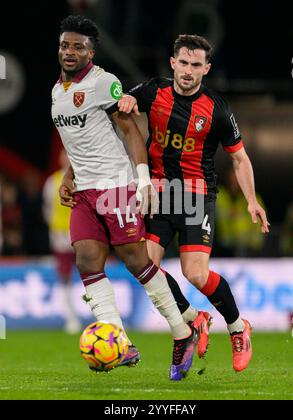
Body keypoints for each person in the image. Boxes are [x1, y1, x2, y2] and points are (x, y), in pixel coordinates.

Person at [52, 15, 204, 381]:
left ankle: (183, 331)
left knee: (136, 261)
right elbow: (78, 143)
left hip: (115, 184)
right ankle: (118, 340)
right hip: (85, 191)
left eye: (78, 46)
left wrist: (142, 180)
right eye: (64, 45)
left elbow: (130, 131)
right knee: (87, 260)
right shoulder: (56, 92)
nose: (69, 52)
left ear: (91, 51)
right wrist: (69, 177)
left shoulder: (105, 84)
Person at [118, 34, 270, 372]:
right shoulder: (154, 91)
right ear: (173, 63)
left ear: (207, 68)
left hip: (197, 196)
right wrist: (127, 99)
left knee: (195, 274)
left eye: (196, 65)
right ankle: (193, 318)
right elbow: (126, 98)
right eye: (183, 63)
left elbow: (240, 159)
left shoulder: (217, 109)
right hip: (158, 193)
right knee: (146, 268)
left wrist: (250, 201)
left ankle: (237, 327)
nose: (188, 71)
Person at [43, 149, 81, 334]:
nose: (65, 158)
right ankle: (70, 317)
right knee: (65, 276)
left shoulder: (83, 177)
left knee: (89, 271)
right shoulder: (52, 181)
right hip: (61, 233)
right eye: (63, 155)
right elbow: (47, 208)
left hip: (82, 232)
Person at [214, 167, 267, 257]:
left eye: (238, 177)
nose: (234, 181)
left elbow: (260, 224)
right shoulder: (218, 195)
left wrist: (255, 244)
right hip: (222, 246)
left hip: (248, 248)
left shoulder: (253, 199)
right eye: (232, 177)